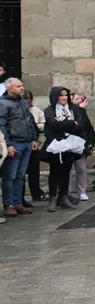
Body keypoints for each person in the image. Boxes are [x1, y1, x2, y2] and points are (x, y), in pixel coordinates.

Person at [0, 78, 38, 216]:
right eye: (18, 86)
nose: (22, 88)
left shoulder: (22, 102)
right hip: (14, 143)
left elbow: (29, 120)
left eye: (22, 85)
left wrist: (34, 137)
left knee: (21, 175)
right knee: (10, 175)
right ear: (9, 88)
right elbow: (2, 125)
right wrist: (8, 145)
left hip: (26, 142)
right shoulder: (3, 103)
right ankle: (8, 204)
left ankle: (18, 203)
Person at [43, 86, 83, 212]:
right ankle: (53, 198)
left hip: (70, 145)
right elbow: (53, 125)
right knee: (55, 171)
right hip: (56, 145)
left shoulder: (73, 109)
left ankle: (64, 197)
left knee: (66, 171)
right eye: (61, 95)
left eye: (66, 95)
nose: (64, 98)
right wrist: (71, 123)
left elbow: (80, 124)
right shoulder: (50, 110)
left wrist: (66, 125)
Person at [68, 93, 95, 203]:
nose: (80, 100)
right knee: (68, 170)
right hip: (70, 144)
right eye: (77, 99)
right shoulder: (70, 111)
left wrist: (91, 142)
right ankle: (67, 192)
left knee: (82, 169)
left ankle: (82, 191)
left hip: (81, 144)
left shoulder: (82, 112)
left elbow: (88, 127)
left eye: (81, 98)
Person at [23, 88, 46, 203]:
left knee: (34, 171)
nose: (28, 102)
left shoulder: (36, 110)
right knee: (21, 172)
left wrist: (39, 128)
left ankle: (36, 192)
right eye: (25, 99)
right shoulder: (18, 111)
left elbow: (42, 123)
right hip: (23, 143)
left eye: (29, 99)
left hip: (35, 143)